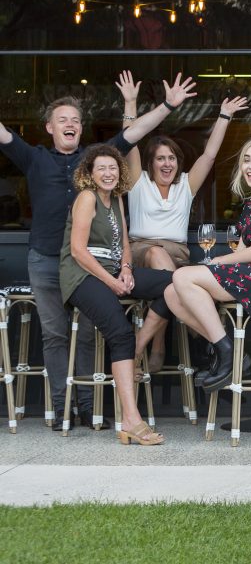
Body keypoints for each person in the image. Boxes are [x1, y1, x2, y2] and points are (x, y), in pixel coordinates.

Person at [0, 72, 196, 426]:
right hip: (45, 260)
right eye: (63, 120)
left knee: (90, 332)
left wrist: (168, 105)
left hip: (88, 265)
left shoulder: (95, 161)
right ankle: (62, 409)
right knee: (56, 335)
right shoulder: (33, 158)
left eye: (75, 120)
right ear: (49, 128)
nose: (70, 125)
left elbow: (134, 133)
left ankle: (89, 408)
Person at [116, 70, 249, 372]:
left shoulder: (185, 186)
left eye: (172, 158)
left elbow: (210, 154)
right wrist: (130, 103)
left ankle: (146, 347)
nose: (167, 163)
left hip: (178, 255)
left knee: (171, 276)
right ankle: (161, 346)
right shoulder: (139, 182)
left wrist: (224, 115)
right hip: (140, 251)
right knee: (158, 257)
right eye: (161, 158)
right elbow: (130, 140)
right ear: (150, 163)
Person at [165, 137, 251, 392]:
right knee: (171, 293)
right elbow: (241, 250)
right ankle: (228, 348)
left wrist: (217, 262)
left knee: (183, 277)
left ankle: (227, 354)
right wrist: (221, 265)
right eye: (246, 160)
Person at [58, 145, 173, 443]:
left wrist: (126, 269)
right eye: (101, 169)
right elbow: (78, 251)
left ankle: (138, 346)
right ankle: (131, 421)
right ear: (90, 174)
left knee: (174, 284)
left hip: (112, 271)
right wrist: (111, 283)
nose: (108, 174)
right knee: (119, 333)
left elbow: (124, 241)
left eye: (112, 168)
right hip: (83, 275)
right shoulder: (87, 197)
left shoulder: (117, 199)